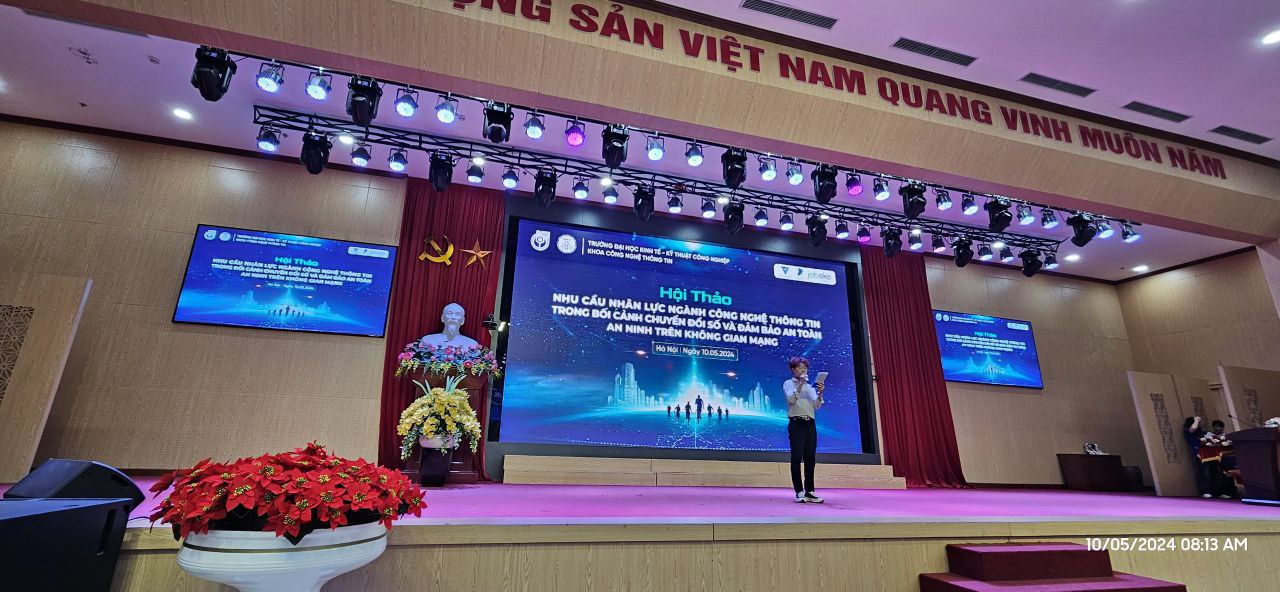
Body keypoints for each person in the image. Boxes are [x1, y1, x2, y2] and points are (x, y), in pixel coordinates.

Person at [784, 356, 824, 503]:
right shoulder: (788, 383)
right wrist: (800, 384)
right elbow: (791, 400)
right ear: (793, 369)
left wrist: (820, 394)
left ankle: (810, 491)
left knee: (810, 458)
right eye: (800, 367)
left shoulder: (810, 387)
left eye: (805, 368)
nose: (803, 370)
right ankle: (799, 491)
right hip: (797, 423)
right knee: (796, 457)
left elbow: (817, 406)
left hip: (810, 423)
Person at [1183, 416, 1208, 497]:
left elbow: (1206, 435)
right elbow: (1192, 429)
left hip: (1206, 452)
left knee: (1208, 472)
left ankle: (1213, 491)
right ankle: (1204, 492)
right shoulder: (1187, 430)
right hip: (1197, 453)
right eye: (1195, 422)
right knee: (1201, 472)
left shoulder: (1199, 431)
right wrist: (1196, 420)